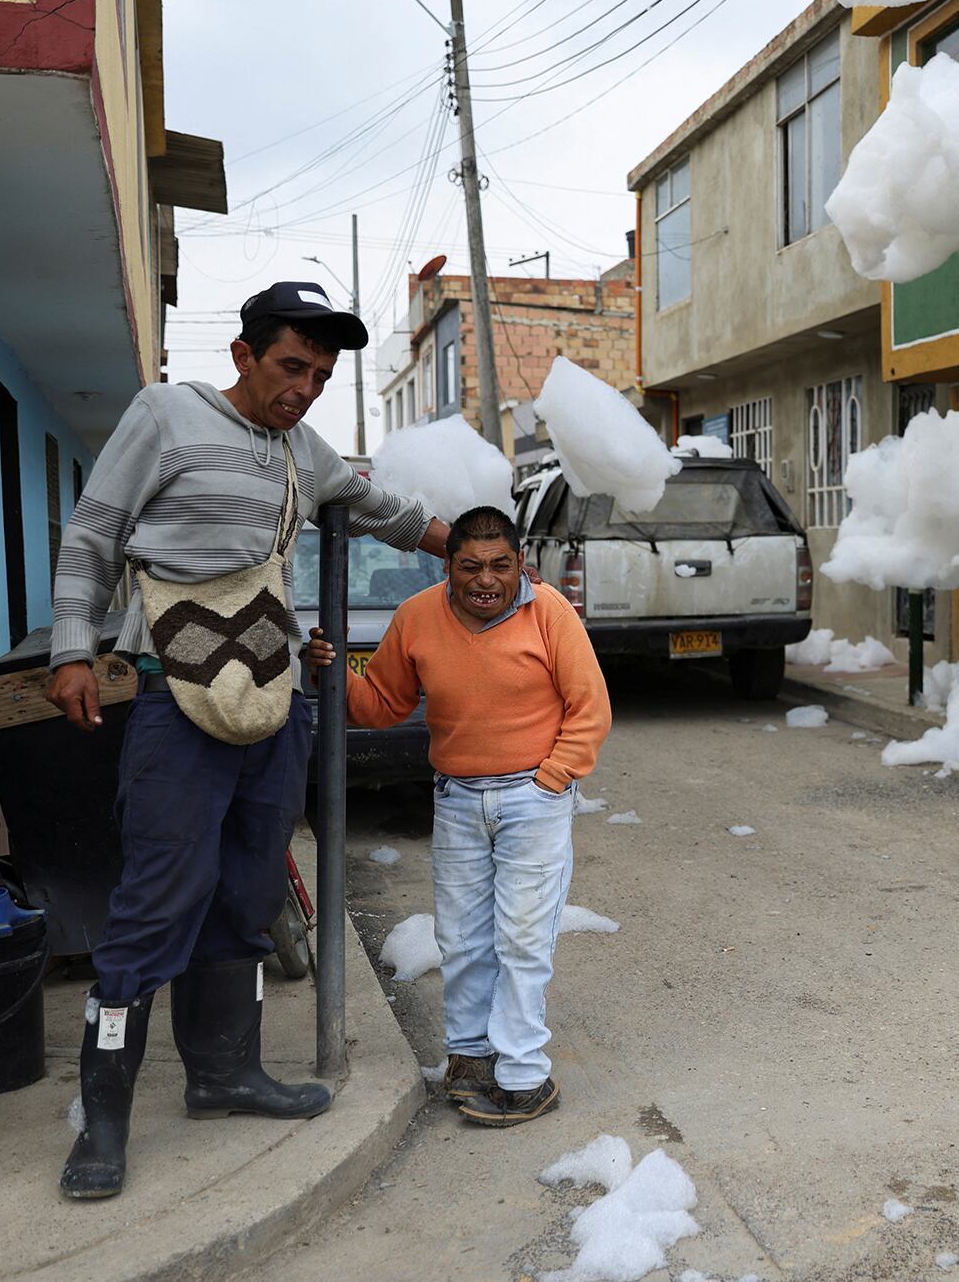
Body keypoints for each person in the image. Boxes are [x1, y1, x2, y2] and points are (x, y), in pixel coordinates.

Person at [44, 282, 452, 1199]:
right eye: (290, 366)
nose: (305, 387)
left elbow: (382, 506)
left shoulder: (307, 452)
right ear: (243, 355)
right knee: (157, 897)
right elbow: (93, 534)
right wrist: (74, 649)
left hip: (272, 703)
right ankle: (101, 1113)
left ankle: (223, 1074)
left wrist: (459, 545)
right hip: (171, 701)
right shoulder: (166, 417)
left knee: (251, 887)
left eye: (321, 372)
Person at [347, 505, 611, 1127]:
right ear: (448, 565)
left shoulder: (550, 614)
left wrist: (552, 779)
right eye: (470, 566)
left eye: (499, 565)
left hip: (534, 798)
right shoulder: (416, 617)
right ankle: (469, 1060)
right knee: (462, 941)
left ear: (520, 564)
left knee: (522, 939)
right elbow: (383, 705)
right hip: (458, 799)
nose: (485, 579)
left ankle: (523, 1075)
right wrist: (330, 674)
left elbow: (590, 707)